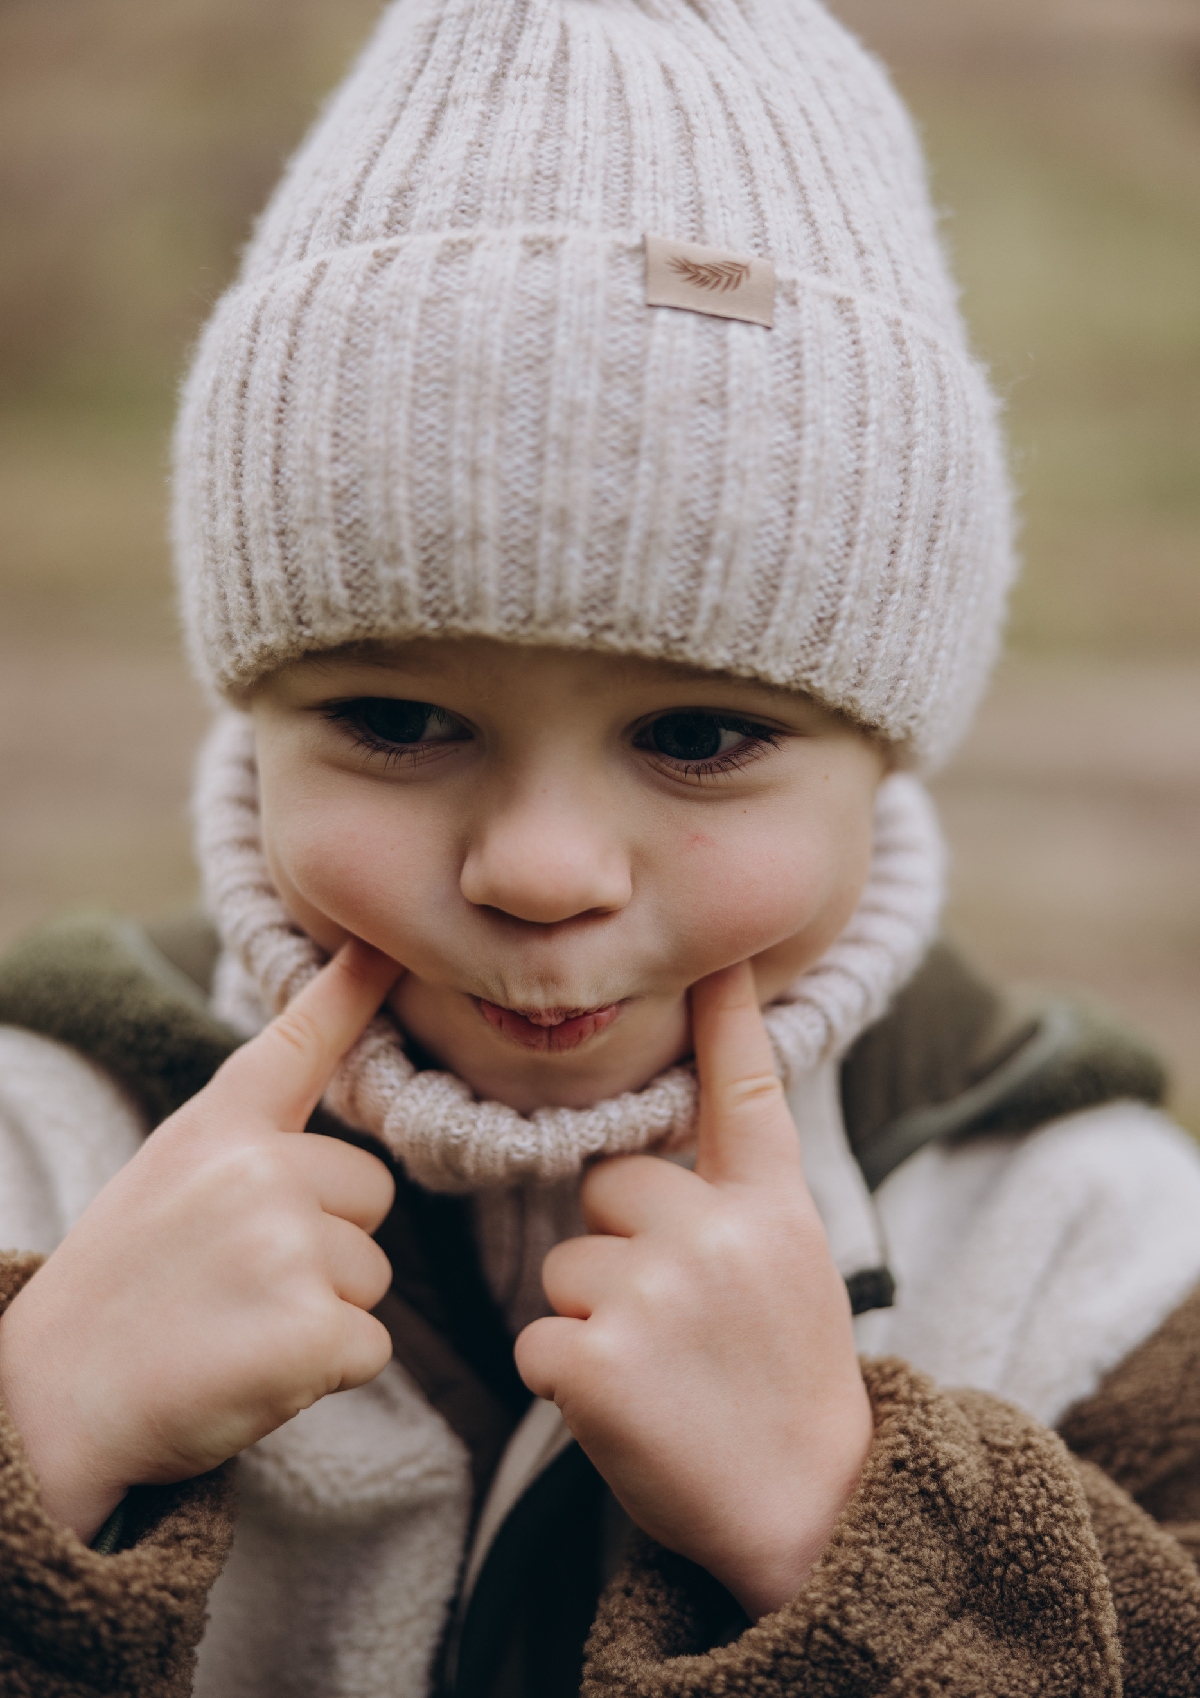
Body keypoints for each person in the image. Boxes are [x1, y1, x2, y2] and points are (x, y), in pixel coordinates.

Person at [0, 0, 1198, 1691]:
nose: (543, 869)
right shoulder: (46, 1141)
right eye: (397, 718)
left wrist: (848, 1526)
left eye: (695, 736)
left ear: (888, 748)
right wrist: (35, 1427)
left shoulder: (1081, 1236)